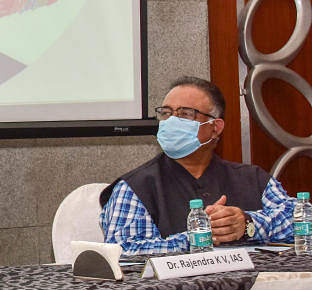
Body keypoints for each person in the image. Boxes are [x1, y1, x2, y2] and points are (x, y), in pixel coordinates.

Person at [100, 76, 293, 255]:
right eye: (166, 113)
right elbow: (124, 250)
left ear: (215, 128)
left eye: (185, 113)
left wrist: (248, 225)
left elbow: (302, 220)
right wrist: (197, 238)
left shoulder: (253, 179)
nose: (172, 121)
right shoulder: (135, 186)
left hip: (254, 289)